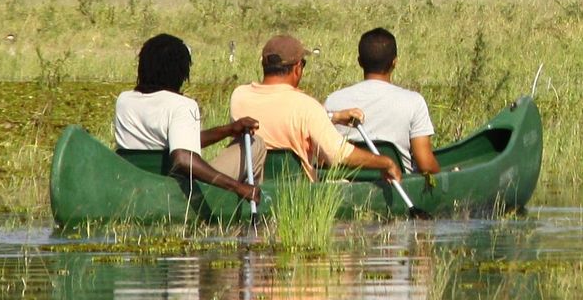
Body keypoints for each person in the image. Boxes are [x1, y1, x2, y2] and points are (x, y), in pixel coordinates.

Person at [221, 34, 402, 183]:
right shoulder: (306, 105)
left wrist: (334, 116)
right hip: (295, 188)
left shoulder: (239, 96)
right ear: (298, 68)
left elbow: (279, 112)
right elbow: (339, 155)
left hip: (251, 184)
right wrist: (385, 162)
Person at [114, 34, 260, 202]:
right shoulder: (182, 105)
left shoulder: (124, 100)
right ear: (181, 72)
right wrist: (238, 187)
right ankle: (253, 205)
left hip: (134, 186)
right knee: (257, 144)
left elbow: (175, 141)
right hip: (173, 189)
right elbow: (182, 158)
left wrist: (227, 130)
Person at [324, 28, 440, 177]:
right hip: (396, 183)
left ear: (360, 62)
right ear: (395, 62)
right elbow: (426, 165)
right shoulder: (413, 102)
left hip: (346, 181)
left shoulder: (334, 100)